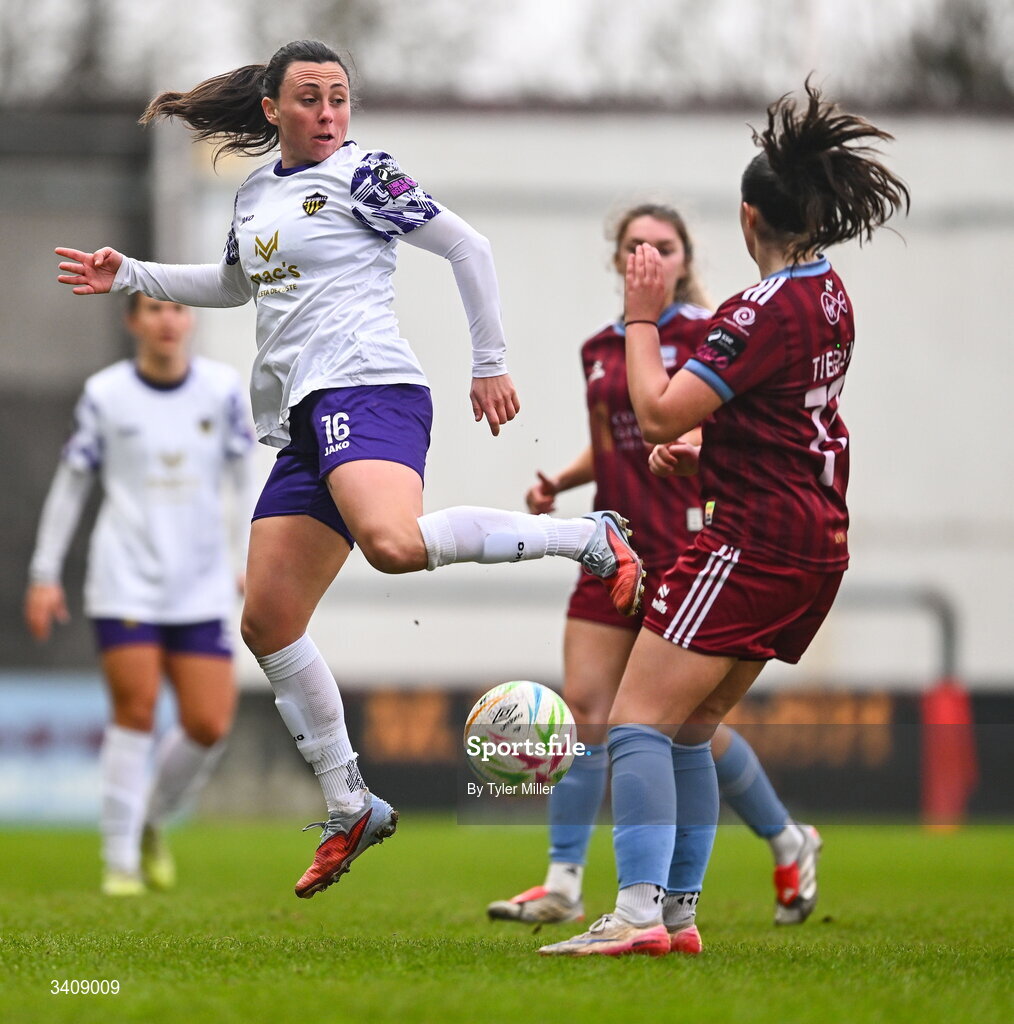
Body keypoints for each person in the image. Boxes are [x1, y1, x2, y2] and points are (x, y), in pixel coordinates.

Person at [54, 39, 643, 900]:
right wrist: (130, 274)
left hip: (368, 386)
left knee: (393, 545)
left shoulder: (367, 175)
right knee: (268, 620)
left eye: (339, 99)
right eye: (310, 100)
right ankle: (350, 802)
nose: (329, 115)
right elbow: (233, 283)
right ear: (271, 109)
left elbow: (468, 248)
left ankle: (587, 536)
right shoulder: (257, 192)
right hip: (305, 418)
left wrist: (490, 361)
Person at [539, 80, 909, 957]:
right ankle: (678, 914)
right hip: (815, 541)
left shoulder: (758, 308)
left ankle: (633, 912)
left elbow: (661, 409)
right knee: (693, 729)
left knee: (634, 722)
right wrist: (720, 451)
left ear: (749, 221)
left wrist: (639, 315)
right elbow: (794, 414)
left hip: (753, 542)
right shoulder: (831, 297)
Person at [485, 203, 822, 935]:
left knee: (678, 723)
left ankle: (783, 836)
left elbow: (710, 421)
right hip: (611, 545)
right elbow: (613, 438)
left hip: (686, 547)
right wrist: (562, 483)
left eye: (662, 246)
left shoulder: (716, 330)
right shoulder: (598, 349)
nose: (648, 256)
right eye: (635, 245)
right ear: (619, 261)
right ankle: (564, 882)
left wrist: (697, 445)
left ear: (685, 256)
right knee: (590, 712)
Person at [25, 293, 255, 896]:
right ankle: (119, 862)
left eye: (177, 310)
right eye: (152, 309)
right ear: (132, 321)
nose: (167, 321)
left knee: (208, 723)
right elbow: (71, 486)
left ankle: (151, 819)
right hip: (124, 577)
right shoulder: (105, 394)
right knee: (135, 710)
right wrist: (44, 574)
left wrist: (244, 561)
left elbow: (242, 480)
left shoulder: (222, 389)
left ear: (193, 319)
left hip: (201, 582)